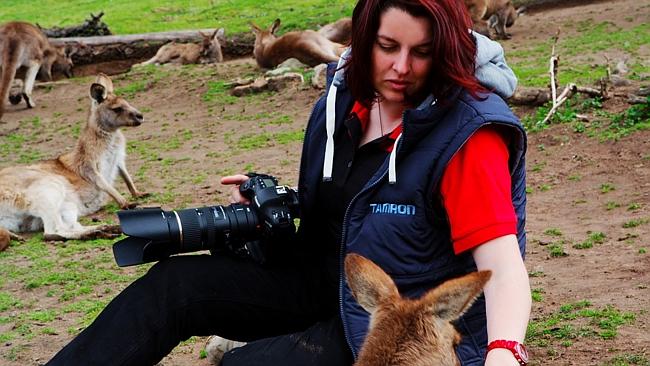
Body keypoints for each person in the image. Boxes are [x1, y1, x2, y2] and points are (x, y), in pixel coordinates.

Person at [47, 0, 530, 365]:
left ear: (444, 49)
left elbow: (503, 266)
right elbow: (358, 201)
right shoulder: (342, 99)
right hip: (318, 278)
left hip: (393, 316)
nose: (401, 67)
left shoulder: (467, 133)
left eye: (422, 52)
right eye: (388, 47)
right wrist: (280, 201)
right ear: (363, 39)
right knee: (174, 287)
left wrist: (505, 350)